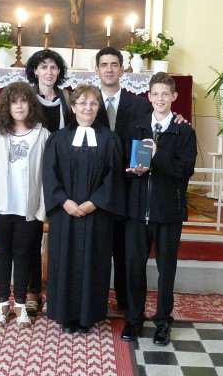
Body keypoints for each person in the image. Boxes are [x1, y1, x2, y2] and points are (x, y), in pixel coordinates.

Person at [121, 72, 197, 346]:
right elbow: (125, 167)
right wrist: (134, 171)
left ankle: (163, 321)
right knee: (134, 268)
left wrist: (157, 154)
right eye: (156, 94)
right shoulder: (136, 127)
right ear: (149, 96)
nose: (160, 99)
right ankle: (134, 318)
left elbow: (184, 170)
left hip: (168, 213)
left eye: (166, 94)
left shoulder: (184, 131)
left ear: (174, 96)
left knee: (167, 270)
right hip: (137, 211)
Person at [43, 84, 126, 334]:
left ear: (99, 107)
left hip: (96, 214)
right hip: (65, 214)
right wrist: (64, 201)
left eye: (93, 103)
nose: (87, 108)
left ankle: (89, 315)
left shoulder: (110, 139)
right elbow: (49, 174)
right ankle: (66, 315)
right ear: (73, 107)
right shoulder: (58, 139)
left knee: (95, 263)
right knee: (64, 261)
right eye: (82, 103)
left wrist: (94, 202)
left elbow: (114, 177)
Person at [0, 82, 50, 329]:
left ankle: (20, 304)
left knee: (24, 254)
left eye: (23, 101)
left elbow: (47, 174)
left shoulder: (42, 134)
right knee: (3, 253)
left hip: (29, 207)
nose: (19, 106)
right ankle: (2, 303)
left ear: (31, 105)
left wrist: (43, 207)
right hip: (1, 206)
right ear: (6, 107)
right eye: (14, 102)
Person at [94, 46, 152, 311]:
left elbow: (150, 138)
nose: (109, 69)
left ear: (122, 69)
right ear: (97, 69)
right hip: (96, 190)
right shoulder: (86, 103)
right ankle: (95, 302)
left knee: (126, 250)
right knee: (97, 249)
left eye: (114, 64)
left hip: (130, 188)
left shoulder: (140, 105)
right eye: (104, 65)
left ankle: (126, 302)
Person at [22, 49, 73, 315]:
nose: (49, 72)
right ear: (35, 71)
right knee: (32, 233)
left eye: (53, 67)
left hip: (60, 174)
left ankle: (57, 289)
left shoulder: (67, 98)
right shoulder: (26, 98)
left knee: (60, 234)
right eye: (44, 67)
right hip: (33, 173)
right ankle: (33, 290)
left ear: (59, 71)